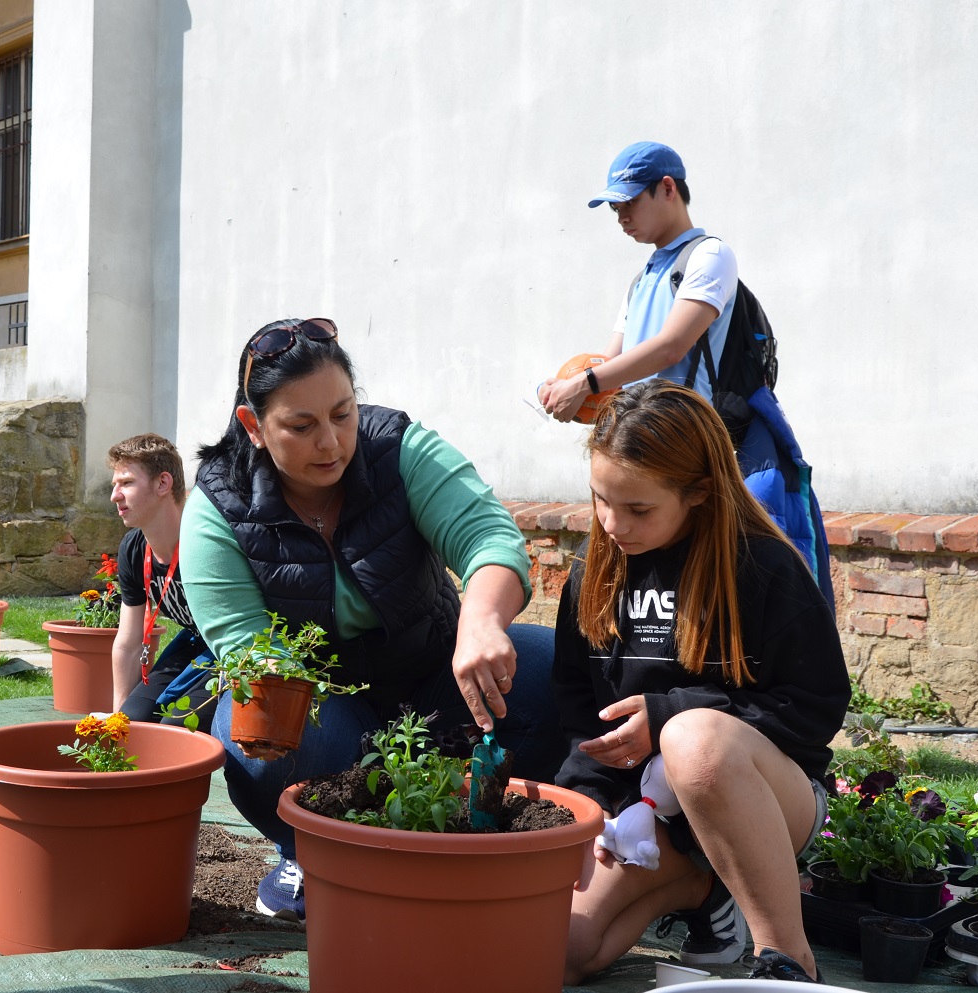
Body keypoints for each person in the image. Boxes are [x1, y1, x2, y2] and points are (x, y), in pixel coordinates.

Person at [181, 317, 567, 922]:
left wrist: (481, 623)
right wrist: (373, 763)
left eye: (342, 414)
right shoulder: (216, 510)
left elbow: (488, 535)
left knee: (550, 666)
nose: (331, 443)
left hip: (434, 680)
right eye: (301, 426)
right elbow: (249, 651)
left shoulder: (398, 449)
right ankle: (308, 851)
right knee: (255, 720)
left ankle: (490, 835)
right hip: (323, 711)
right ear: (253, 427)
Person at [552, 381, 848, 984]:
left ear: (699, 494)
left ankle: (787, 961)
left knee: (693, 743)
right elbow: (579, 705)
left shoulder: (764, 567)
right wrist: (593, 812)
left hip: (760, 800)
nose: (613, 525)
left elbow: (814, 709)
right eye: (601, 501)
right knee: (559, 950)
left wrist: (670, 717)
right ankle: (701, 888)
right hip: (643, 813)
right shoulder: (595, 568)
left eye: (638, 509)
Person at [538, 141, 833, 607]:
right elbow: (609, 368)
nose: (621, 215)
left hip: (692, 448)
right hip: (641, 448)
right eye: (615, 206)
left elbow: (673, 343)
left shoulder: (709, 256)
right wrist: (564, 388)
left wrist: (587, 383)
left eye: (630, 201)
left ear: (668, 188)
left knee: (720, 582)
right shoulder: (640, 281)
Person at [106, 433, 215, 727]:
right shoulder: (133, 548)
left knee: (176, 726)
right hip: (196, 640)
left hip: (234, 646)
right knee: (134, 721)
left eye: (126, 483)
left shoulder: (207, 538)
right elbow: (128, 643)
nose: (115, 495)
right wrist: (118, 720)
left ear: (163, 484)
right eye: (115, 485)